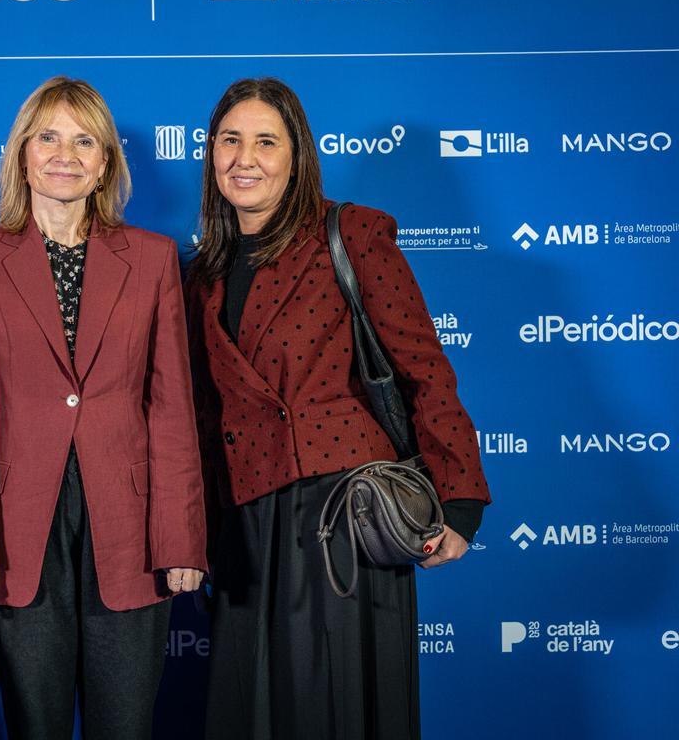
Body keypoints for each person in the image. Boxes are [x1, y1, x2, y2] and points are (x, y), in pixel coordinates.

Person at [186, 78, 491, 740]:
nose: (246, 157)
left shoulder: (349, 234)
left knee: (335, 713)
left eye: (266, 141)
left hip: (343, 524)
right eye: (230, 140)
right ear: (210, 155)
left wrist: (460, 502)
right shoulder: (201, 271)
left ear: (296, 156)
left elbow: (424, 370)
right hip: (244, 528)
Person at [0, 76, 207, 740]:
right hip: (17, 532)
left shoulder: (150, 259)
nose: (65, 154)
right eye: (48, 137)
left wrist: (180, 537)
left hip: (132, 526)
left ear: (106, 163)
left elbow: (172, 406)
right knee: (36, 724)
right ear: (22, 154)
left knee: (125, 726)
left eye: (85, 140)